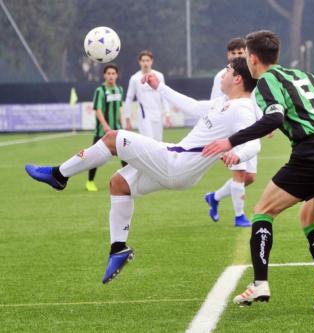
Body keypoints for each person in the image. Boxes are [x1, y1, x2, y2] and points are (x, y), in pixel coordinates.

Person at [25, 57, 260, 284]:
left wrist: (237, 154)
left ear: (237, 78)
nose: (223, 73)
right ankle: (118, 248)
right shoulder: (223, 102)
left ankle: (58, 175)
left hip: (177, 162)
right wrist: (161, 88)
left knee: (112, 138)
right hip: (179, 166)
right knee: (119, 184)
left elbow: (254, 143)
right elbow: (193, 106)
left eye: (228, 69)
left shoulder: (242, 109)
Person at [203, 30, 314, 310]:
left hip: (313, 151)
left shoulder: (264, 83)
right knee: (310, 218)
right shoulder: (303, 75)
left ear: (253, 58)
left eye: (246, 55)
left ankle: (259, 283)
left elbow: (274, 117)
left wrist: (230, 141)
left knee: (262, 211)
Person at [205, 37, 258, 227]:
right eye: (233, 53)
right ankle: (239, 216)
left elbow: (254, 101)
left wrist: (264, 124)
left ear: (246, 52)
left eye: (240, 52)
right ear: (228, 55)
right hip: (232, 130)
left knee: (249, 177)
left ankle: (215, 197)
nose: (237, 55)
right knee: (240, 172)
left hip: (250, 129)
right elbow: (213, 104)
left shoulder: (253, 73)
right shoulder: (223, 75)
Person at [86, 63, 126, 192]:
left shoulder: (120, 89)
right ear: (104, 75)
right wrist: (105, 126)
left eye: (113, 74)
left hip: (117, 130)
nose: (111, 76)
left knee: (125, 155)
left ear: (117, 75)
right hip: (102, 131)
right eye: (108, 74)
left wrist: (122, 125)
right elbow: (97, 109)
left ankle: (128, 180)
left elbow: (120, 108)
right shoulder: (100, 90)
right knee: (94, 157)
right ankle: (90, 181)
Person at [124, 50, 171, 142]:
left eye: (148, 60)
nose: (145, 63)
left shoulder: (159, 76)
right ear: (139, 62)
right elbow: (129, 98)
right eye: (143, 60)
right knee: (148, 142)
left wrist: (167, 114)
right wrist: (127, 118)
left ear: (152, 61)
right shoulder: (135, 78)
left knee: (158, 142)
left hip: (157, 114)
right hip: (144, 115)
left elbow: (164, 96)